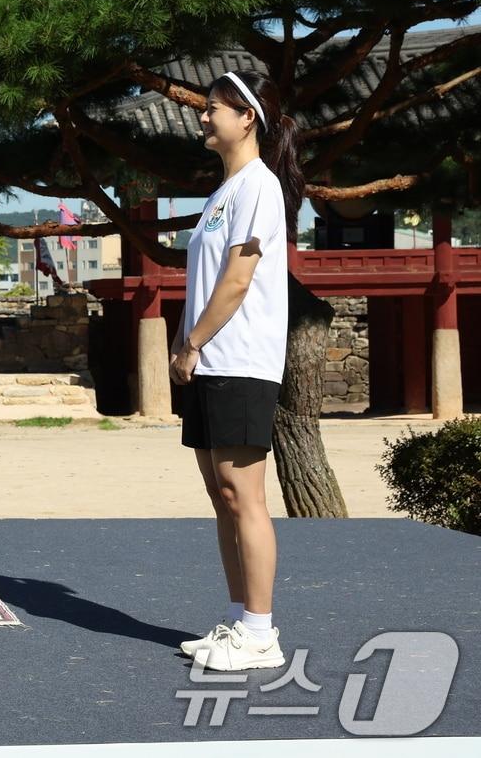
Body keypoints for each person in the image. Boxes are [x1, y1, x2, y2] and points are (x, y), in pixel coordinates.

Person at [170, 68, 302, 671]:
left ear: (246, 117)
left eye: (212, 109)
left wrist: (192, 342)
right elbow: (204, 280)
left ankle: (261, 631)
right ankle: (237, 618)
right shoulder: (222, 194)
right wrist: (184, 342)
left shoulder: (259, 186)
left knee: (243, 493)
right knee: (221, 494)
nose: (202, 117)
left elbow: (239, 279)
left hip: (241, 360)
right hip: (207, 359)